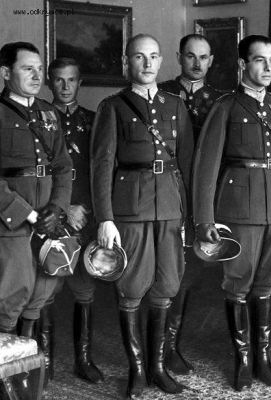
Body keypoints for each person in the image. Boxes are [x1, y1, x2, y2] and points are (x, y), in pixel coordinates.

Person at [193, 34, 271, 392]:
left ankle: (263, 360)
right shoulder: (226, 106)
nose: (268, 68)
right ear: (242, 65)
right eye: (259, 60)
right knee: (238, 281)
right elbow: (207, 165)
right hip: (238, 207)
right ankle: (241, 361)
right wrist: (204, 219)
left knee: (267, 280)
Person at [90, 34, 193, 398]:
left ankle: (158, 368)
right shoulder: (113, 107)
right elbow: (101, 166)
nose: (147, 64)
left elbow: (188, 164)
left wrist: (190, 216)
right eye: (139, 57)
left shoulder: (175, 105)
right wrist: (105, 218)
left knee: (166, 285)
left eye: (153, 56)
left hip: (170, 205)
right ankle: (136, 370)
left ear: (162, 61)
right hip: (130, 208)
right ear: (126, 62)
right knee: (131, 287)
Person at [0, 41, 73, 396]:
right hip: (11, 225)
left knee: (41, 293)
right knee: (12, 296)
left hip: (47, 221)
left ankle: (25, 375)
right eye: (27, 68)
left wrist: (56, 208)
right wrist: (28, 214)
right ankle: (4, 380)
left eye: (39, 69)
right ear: (5, 73)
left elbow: (63, 166)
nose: (37, 75)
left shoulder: (48, 113)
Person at [30, 57, 104, 386]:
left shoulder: (93, 120)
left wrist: (85, 208)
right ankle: (44, 361)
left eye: (71, 80)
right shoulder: (37, 118)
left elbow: (99, 169)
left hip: (85, 213)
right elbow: (39, 172)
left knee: (84, 289)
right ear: (49, 82)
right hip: (50, 212)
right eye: (58, 80)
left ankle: (83, 359)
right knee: (46, 289)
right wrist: (62, 208)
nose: (64, 86)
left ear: (80, 83)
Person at [158, 33, 224, 376]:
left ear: (211, 60)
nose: (197, 64)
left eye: (203, 57)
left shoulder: (221, 99)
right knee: (165, 268)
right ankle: (160, 348)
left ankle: (174, 344)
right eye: (190, 56)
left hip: (205, 193)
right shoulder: (162, 93)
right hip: (168, 188)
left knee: (192, 271)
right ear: (179, 57)